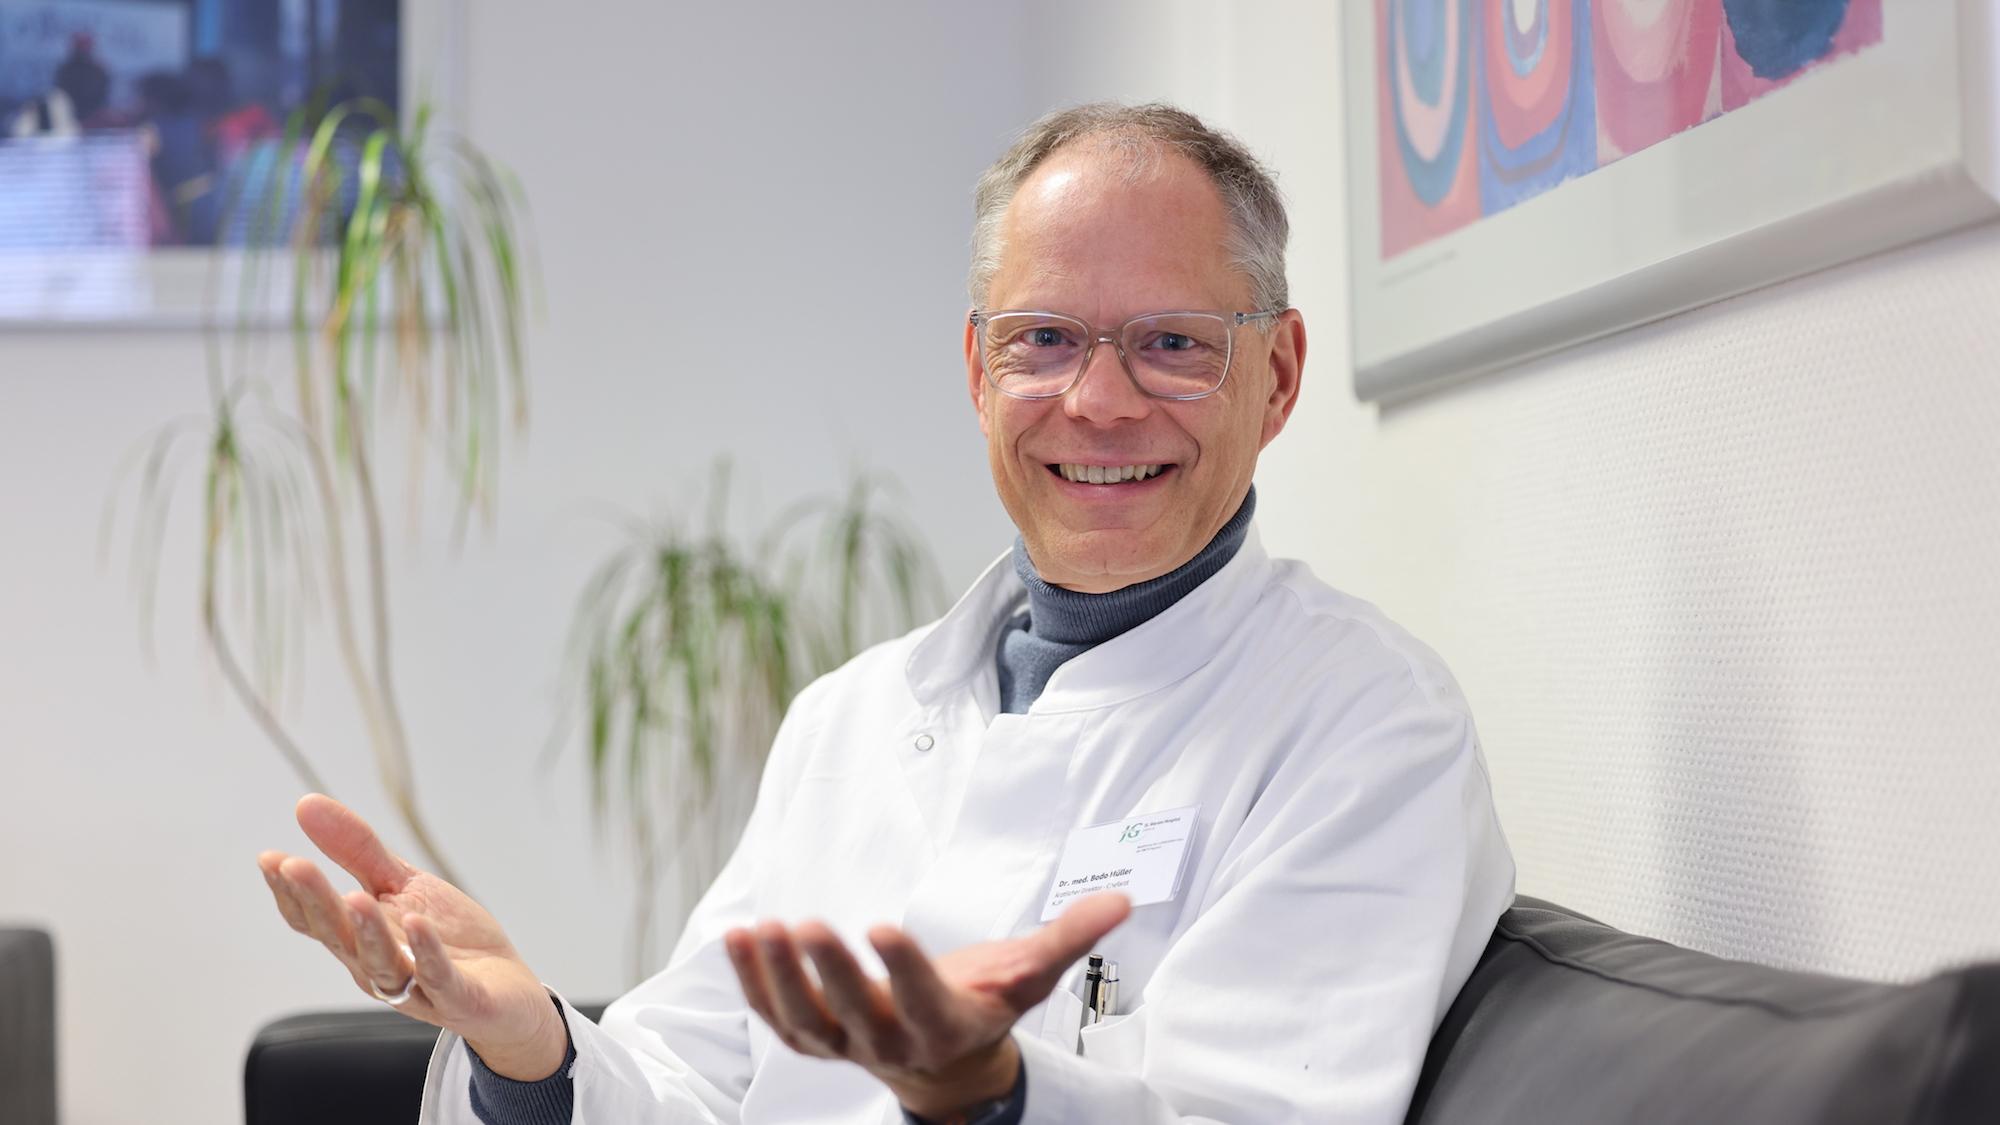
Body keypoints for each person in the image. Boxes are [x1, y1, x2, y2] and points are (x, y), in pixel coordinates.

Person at [258, 102, 1515, 1124]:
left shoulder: (1363, 729)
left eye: (1173, 344)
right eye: (1043, 340)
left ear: (1277, 375)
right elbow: (690, 1082)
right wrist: (530, 1049)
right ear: (979, 373)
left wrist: (995, 1097)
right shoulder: (851, 717)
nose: (1098, 402)